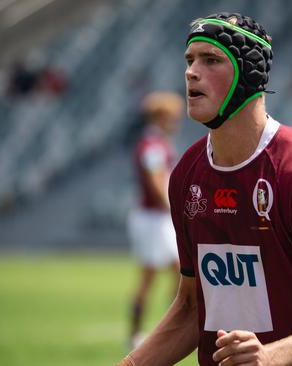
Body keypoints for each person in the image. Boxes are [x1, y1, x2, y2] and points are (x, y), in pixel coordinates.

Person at [117, 12, 292, 366]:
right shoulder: (186, 177)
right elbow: (194, 306)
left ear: (247, 73)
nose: (191, 72)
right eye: (190, 60)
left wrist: (270, 357)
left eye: (211, 60)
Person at [126, 91, 183, 348]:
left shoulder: (156, 143)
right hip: (153, 219)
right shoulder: (152, 146)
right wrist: (173, 208)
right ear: (160, 116)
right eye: (171, 117)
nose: (175, 122)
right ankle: (136, 335)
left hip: (157, 219)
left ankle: (166, 330)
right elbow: (156, 181)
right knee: (151, 277)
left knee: (180, 274)